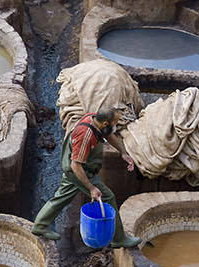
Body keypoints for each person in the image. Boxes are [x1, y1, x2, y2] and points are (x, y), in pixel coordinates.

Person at [31, 104, 141, 248]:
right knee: (108, 197)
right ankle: (119, 239)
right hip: (80, 171)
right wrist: (91, 188)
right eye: (114, 123)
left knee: (61, 197)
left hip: (79, 167)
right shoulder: (85, 135)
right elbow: (76, 166)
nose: (115, 126)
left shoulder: (95, 119)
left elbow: (109, 135)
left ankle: (40, 225)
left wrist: (123, 153)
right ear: (105, 123)